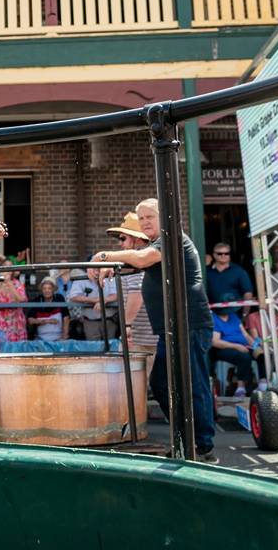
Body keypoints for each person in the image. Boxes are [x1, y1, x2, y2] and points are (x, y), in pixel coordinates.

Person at [90, 198, 216, 463]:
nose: (145, 222)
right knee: (160, 383)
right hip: (169, 330)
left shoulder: (171, 238)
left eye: (150, 217)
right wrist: (109, 266)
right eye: (142, 218)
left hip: (188, 324)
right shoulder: (157, 244)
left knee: (193, 383)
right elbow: (135, 263)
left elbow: (142, 258)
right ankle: (185, 437)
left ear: (164, 216)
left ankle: (203, 446)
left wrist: (104, 256)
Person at [108, 212, 159, 373]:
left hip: (141, 338)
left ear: (136, 239)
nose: (120, 244)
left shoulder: (140, 263)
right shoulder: (140, 261)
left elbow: (137, 294)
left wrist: (127, 326)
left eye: (123, 238)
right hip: (143, 336)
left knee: (134, 383)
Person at [210, 310, 260, 396]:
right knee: (244, 357)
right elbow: (215, 342)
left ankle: (263, 384)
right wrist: (237, 346)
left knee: (261, 355)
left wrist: (255, 346)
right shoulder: (213, 318)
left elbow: (245, 335)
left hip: (244, 346)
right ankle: (241, 387)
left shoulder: (233, 316)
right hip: (224, 348)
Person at [205, 243, 253, 317]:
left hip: (235, 314)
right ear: (214, 255)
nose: (223, 255)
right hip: (212, 314)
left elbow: (247, 293)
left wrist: (245, 314)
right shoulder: (207, 271)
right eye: (220, 253)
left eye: (226, 253)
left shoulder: (239, 271)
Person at [67, 273, 118, 340]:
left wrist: (103, 301)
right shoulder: (81, 277)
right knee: (93, 345)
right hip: (90, 321)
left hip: (110, 320)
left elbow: (117, 294)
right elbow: (73, 296)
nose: (96, 270)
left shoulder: (111, 276)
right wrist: (95, 300)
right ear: (87, 269)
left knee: (111, 344)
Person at [0, 271, 28, 342]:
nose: (6, 273)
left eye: (8, 270)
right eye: (4, 269)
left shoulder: (17, 283)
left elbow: (22, 300)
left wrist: (11, 286)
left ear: (11, 272)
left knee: (16, 346)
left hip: (15, 322)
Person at [30, 277, 69, 342]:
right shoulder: (37, 300)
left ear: (53, 290)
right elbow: (30, 320)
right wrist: (46, 321)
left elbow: (66, 318)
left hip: (58, 337)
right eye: (44, 288)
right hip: (40, 338)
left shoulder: (59, 298)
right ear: (41, 290)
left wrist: (65, 335)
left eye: (49, 288)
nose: (46, 291)